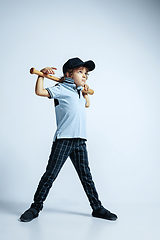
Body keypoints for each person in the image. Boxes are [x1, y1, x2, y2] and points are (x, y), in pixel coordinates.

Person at [20, 57, 118, 222]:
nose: (85, 75)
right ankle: (35, 207)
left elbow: (85, 105)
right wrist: (41, 75)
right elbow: (40, 92)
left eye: (86, 73)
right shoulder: (61, 89)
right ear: (68, 74)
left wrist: (86, 94)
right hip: (64, 140)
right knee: (50, 174)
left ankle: (97, 208)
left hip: (80, 140)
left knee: (86, 175)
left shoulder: (79, 92)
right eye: (80, 72)